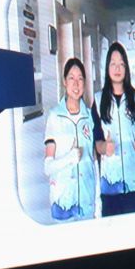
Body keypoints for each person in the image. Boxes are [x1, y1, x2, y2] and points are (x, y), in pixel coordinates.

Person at [91, 41, 135, 216]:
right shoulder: (98, 100)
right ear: (107, 68)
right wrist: (104, 148)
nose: (117, 68)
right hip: (110, 186)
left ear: (126, 68)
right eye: (113, 64)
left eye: (121, 64)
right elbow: (96, 142)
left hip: (134, 184)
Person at [42, 56, 98, 222]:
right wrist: (69, 158)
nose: (76, 84)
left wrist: (98, 201)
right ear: (64, 82)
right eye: (71, 78)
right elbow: (47, 168)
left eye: (80, 79)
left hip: (87, 203)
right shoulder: (54, 117)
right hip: (63, 204)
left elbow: (94, 161)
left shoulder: (89, 116)